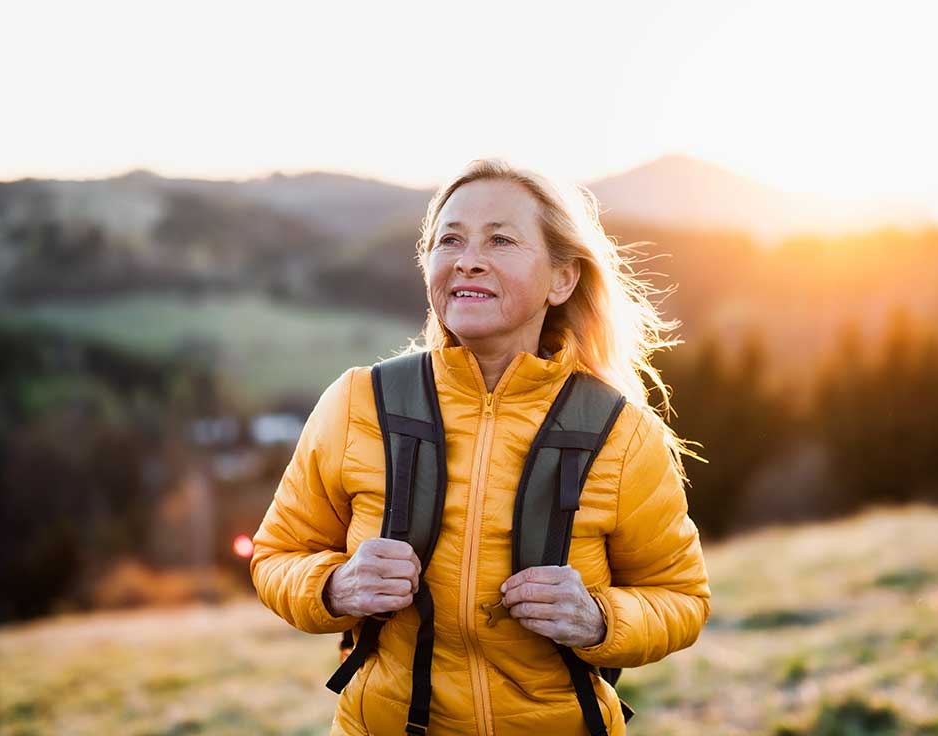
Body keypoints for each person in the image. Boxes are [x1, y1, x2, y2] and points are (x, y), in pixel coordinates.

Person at [250, 157, 712, 735]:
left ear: (562, 279)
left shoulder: (621, 432)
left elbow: (681, 598)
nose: (468, 258)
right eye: (450, 239)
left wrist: (598, 618)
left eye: (500, 239)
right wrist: (335, 584)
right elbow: (275, 557)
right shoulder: (359, 402)